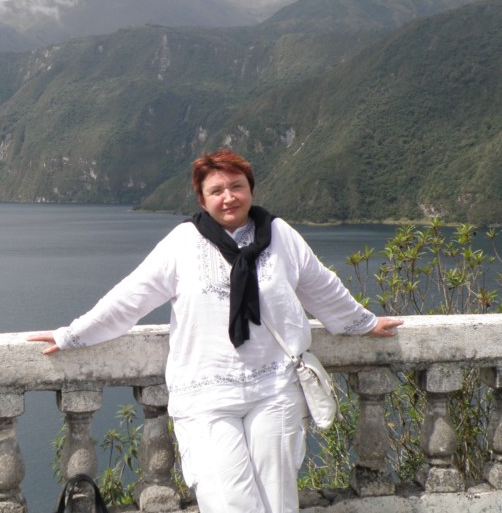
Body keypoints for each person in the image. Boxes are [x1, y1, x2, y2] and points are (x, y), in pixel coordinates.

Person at [28, 148, 403, 513]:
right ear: (202, 199)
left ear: (250, 189)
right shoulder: (183, 243)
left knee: (278, 500)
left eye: (237, 186)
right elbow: (131, 297)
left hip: (274, 387)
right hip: (205, 394)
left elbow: (321, 287)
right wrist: (71, 335)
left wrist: (364, 322)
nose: (229, 197)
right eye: (217, 190)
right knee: (226, 500)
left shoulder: (280, 235)